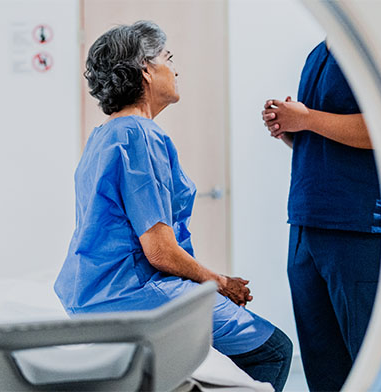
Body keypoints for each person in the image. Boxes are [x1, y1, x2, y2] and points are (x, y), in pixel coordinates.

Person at [55, 21, 292, 390]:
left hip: (91, 296)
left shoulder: (104, 135)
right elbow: (160, 251)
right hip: (133, 295)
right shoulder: (139, 135)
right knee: (274, 349)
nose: (175, 68)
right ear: (145, 70)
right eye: (168, 57)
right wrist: (219, 282)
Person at [261, 40, 381, 391]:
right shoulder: (318, 53)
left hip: (355, 228)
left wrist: (307, 119)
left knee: (368, 365)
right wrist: (291, 129)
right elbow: (322, 138)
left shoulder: (370, 45)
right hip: (305, 223)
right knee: (322, 366)